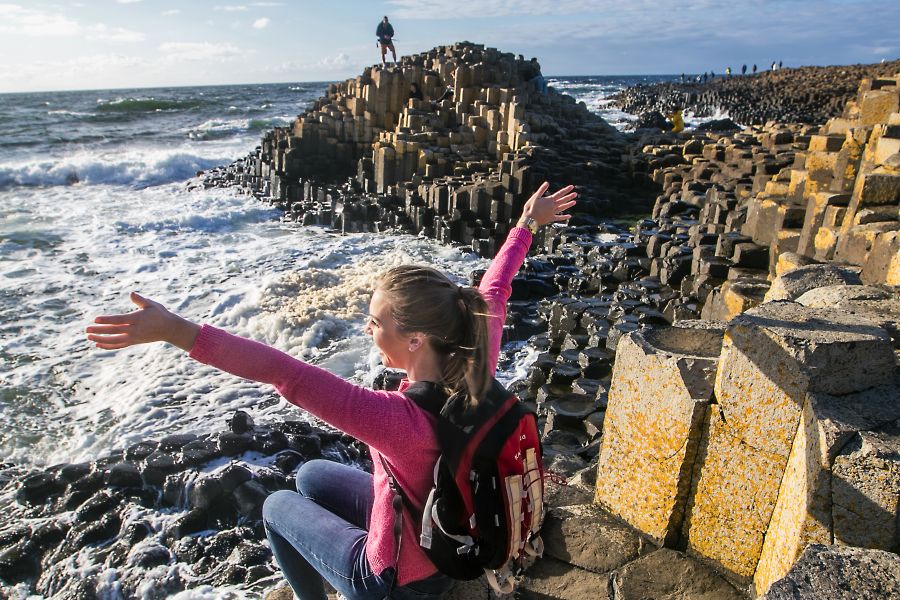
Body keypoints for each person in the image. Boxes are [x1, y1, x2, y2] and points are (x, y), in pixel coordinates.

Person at [85, 182, 577, 600]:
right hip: (443, 523)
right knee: (311, 474)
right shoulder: (476, 363)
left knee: (276, 506)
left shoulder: (394, 418)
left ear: (414, 339)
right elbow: (494, 289)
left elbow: (285, 372)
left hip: (400, 577)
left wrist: (177, 330)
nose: (367, 330)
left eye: (374, 321)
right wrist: (526, 226)